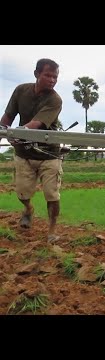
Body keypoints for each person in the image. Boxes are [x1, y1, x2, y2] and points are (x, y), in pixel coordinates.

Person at [0, 58, 63, 242]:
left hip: (48, 153)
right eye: (48, 75)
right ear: (36, 74)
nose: (52, 80)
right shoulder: (21, 90)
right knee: (22, 192)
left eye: (55, 76)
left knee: (52, 194)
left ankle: (52, 231)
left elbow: (36, 124)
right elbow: (8, 116)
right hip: (23, 153)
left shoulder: (55, 100)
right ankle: (28, 209)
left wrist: (16, 132)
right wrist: (4, 130)